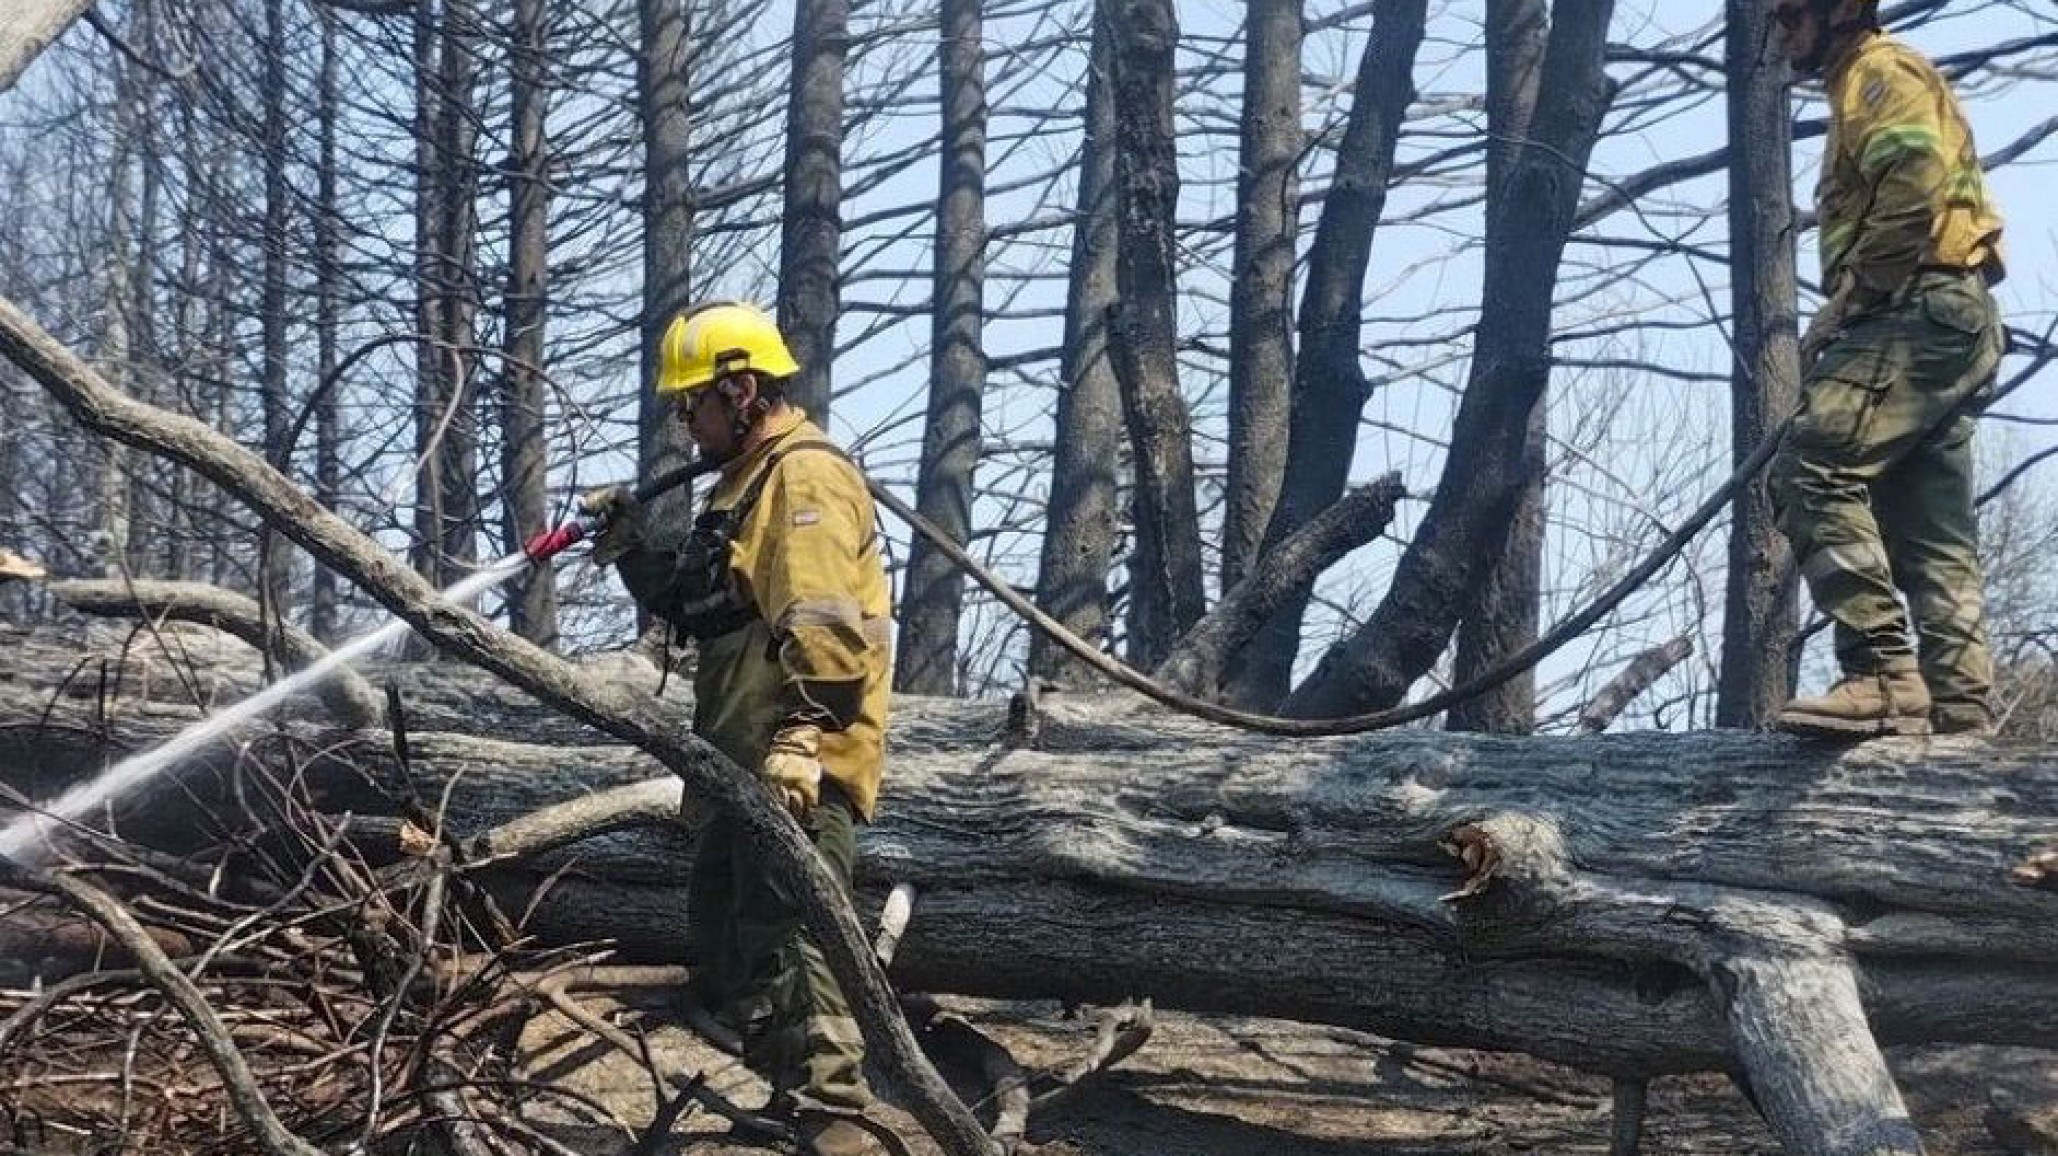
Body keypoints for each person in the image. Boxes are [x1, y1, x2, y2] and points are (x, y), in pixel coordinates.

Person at [584, 301, 893, 1156]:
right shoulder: (743, 482)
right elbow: (702, 609)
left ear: (742, 387)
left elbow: (828, 622)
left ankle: (835, 1118)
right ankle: (792, 1099)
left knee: (792, 929)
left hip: (798, 755)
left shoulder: (806, 478)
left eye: (693, 405)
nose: (686, 424)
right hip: (739, 755)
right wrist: (632, 551)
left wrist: (802, 736)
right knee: (726, 936)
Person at [1768, 0, 2006, 738]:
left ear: (1838, 11)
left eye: (1790, 15)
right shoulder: (1859, 85)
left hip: (1915, 309)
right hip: (1943, 318)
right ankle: (1961, 714)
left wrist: (1856, 298)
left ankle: (1880, 673)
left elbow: (1912, 180)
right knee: (1929, 527)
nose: (1781, 29)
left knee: (1810, 462)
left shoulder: (1877, 71)